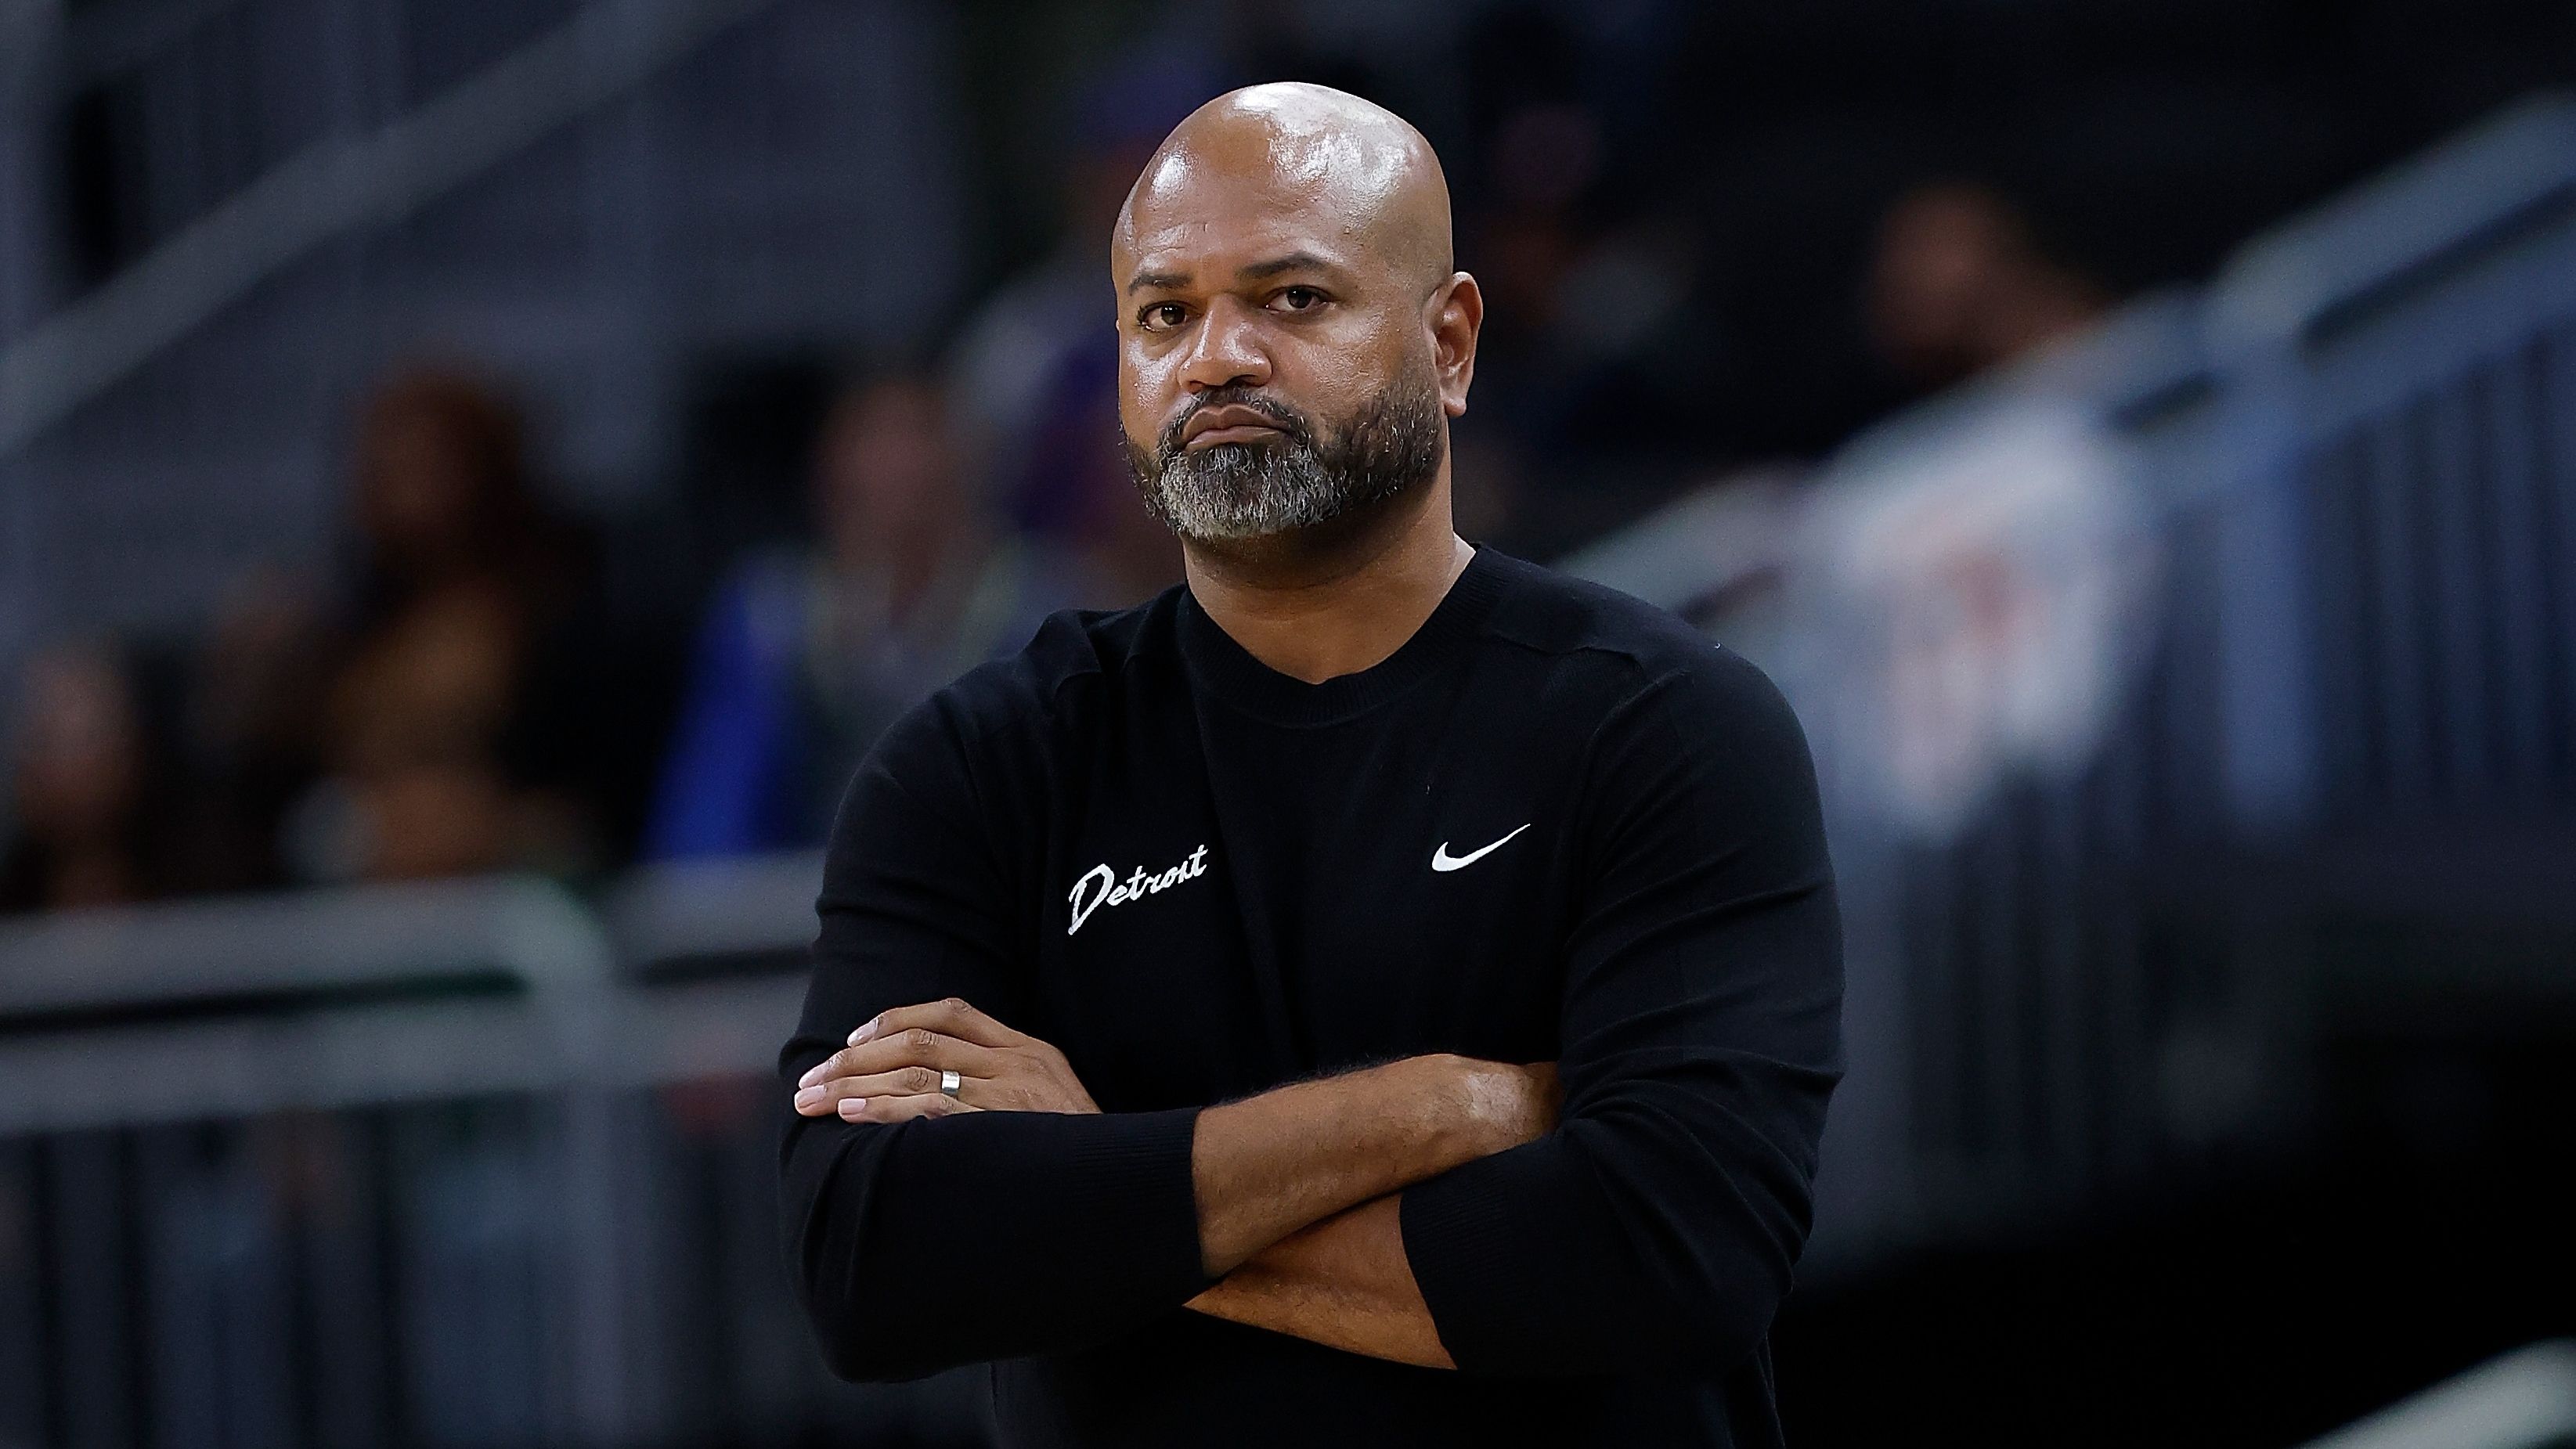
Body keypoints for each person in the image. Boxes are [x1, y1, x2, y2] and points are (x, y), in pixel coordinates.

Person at [778, 84, 1842, 1447]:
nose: (1216, 357)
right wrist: (1425, 1111)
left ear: (1449, 342)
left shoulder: (1665, 725)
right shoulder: (981, 766)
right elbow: (870, 1263)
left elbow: (1670, 1257)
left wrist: (1090, 1173)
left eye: (1292, 298)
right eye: (1164, 314)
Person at [647, 369, 1082, 858]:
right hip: (808, 885)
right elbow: (712, 809)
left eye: (922, 437)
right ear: (831, 472)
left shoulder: (1041, 611)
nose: (904, 468)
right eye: (879, 443)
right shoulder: (775, 616)